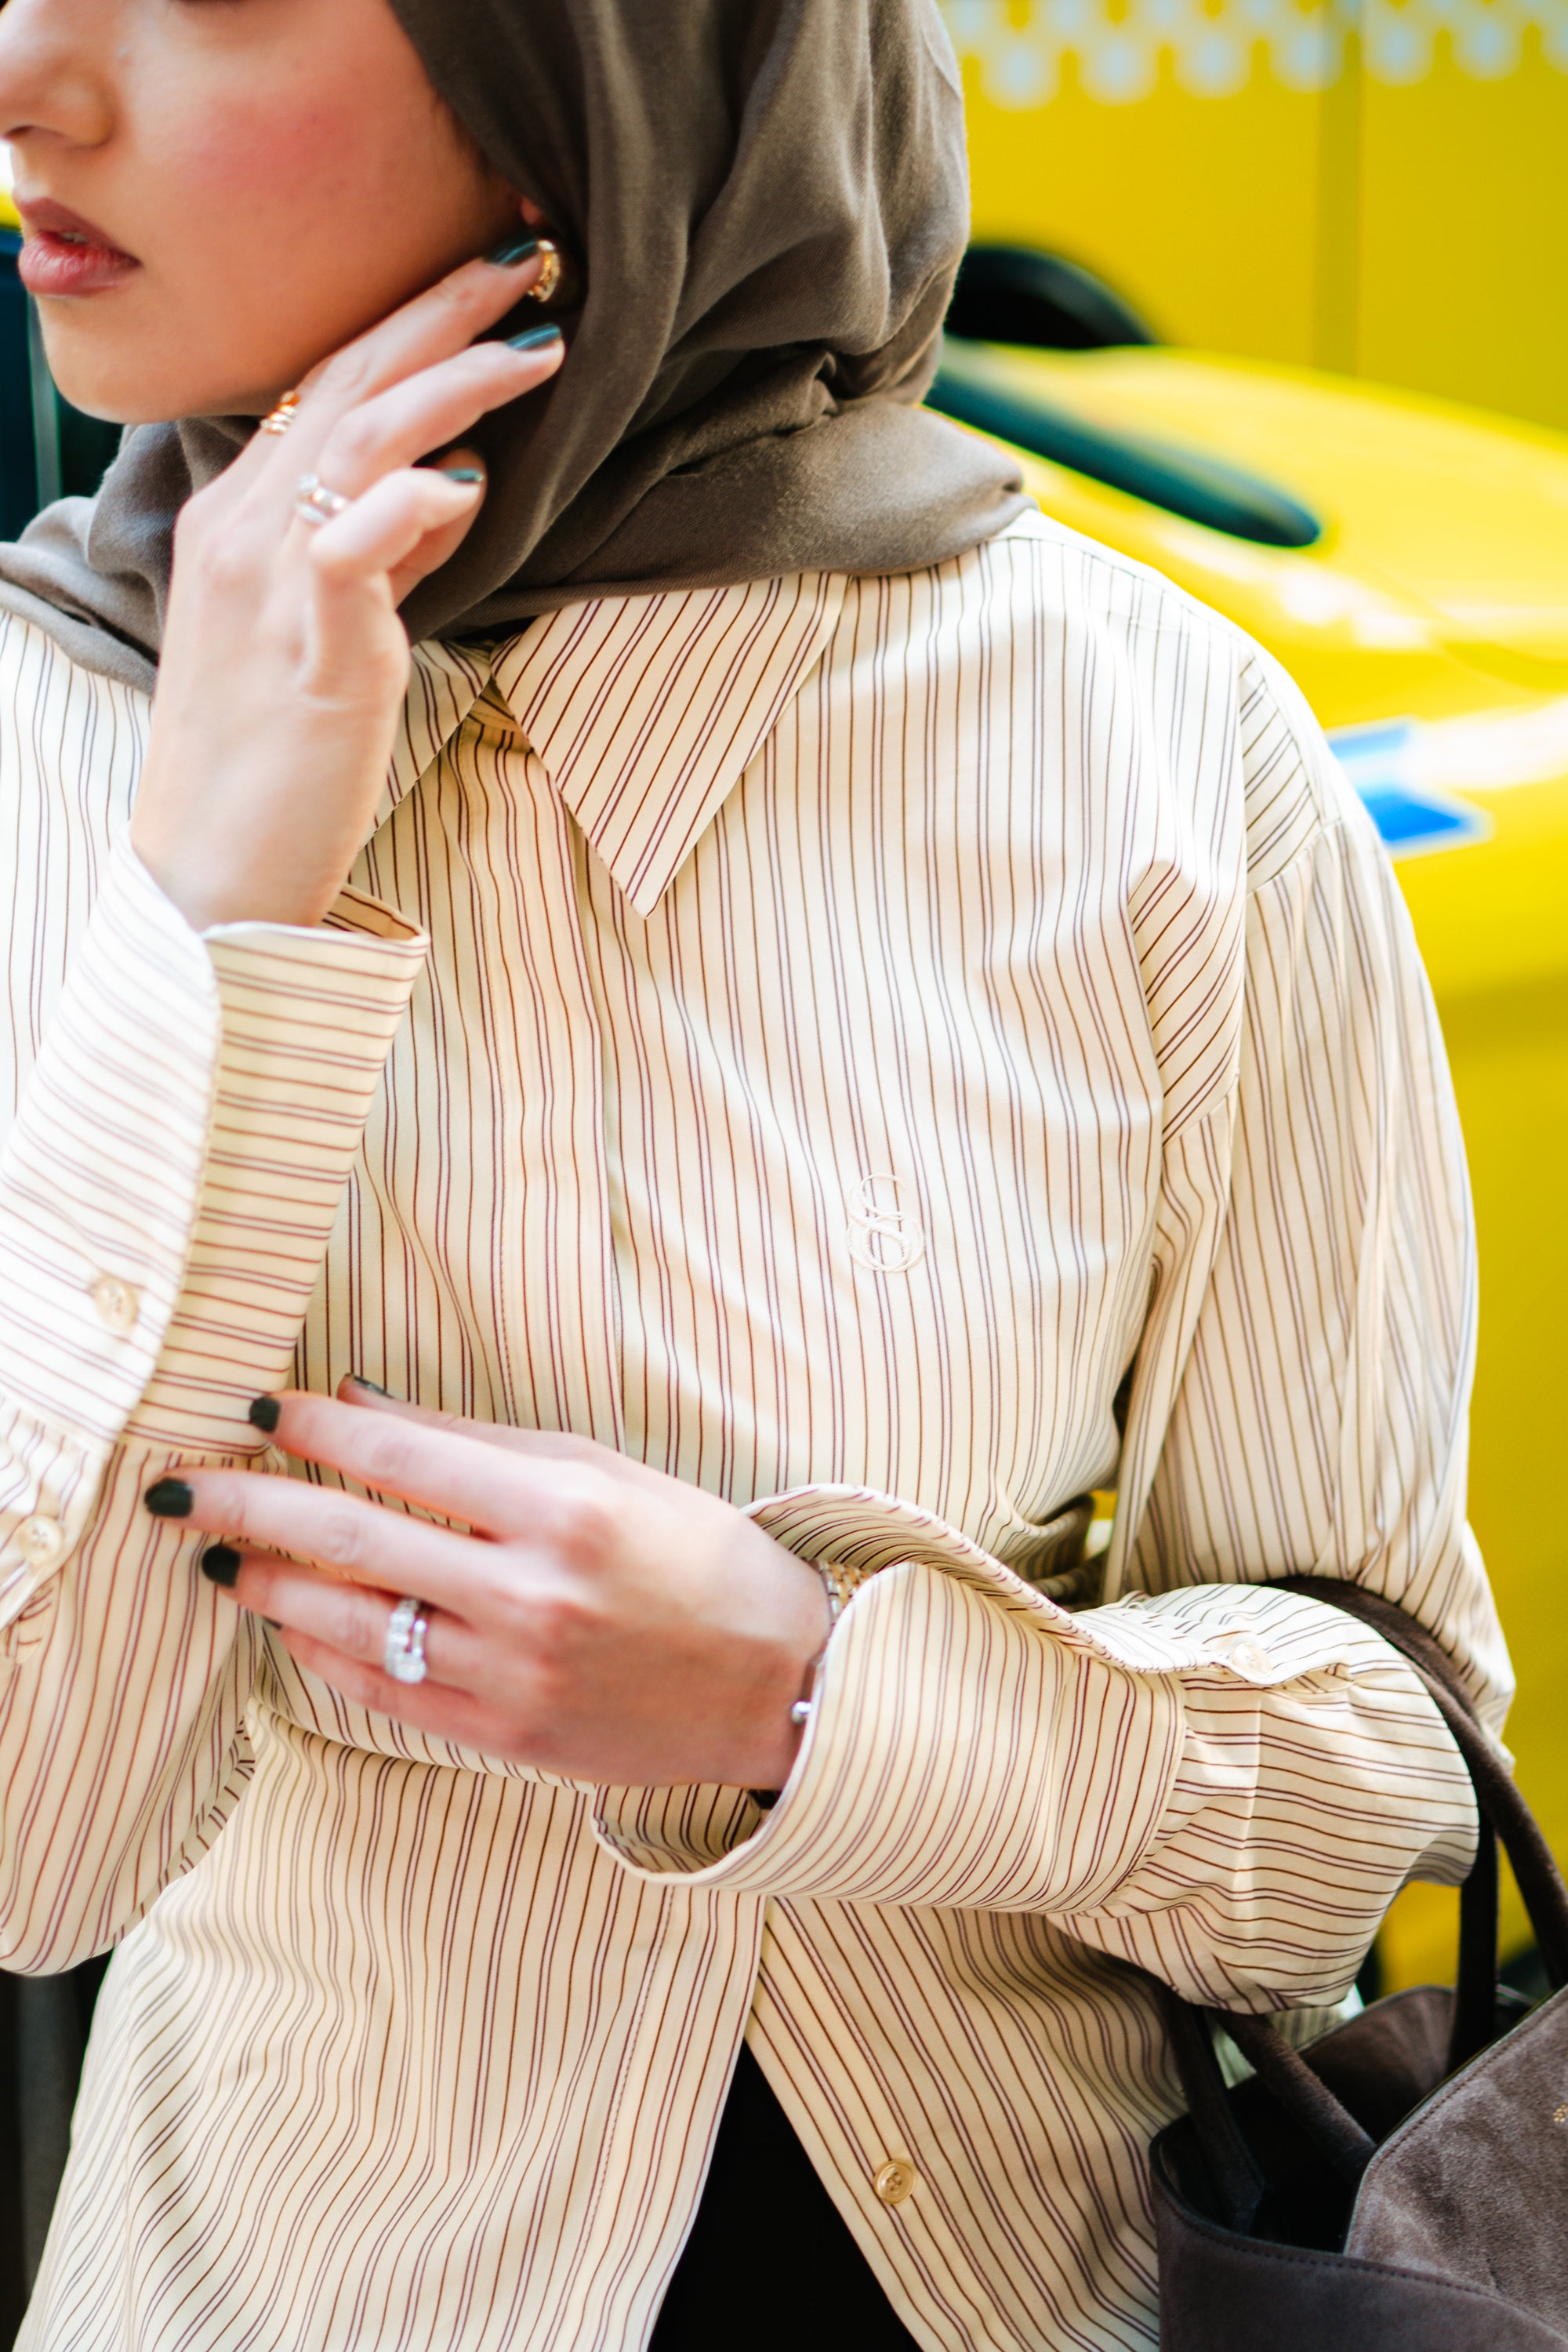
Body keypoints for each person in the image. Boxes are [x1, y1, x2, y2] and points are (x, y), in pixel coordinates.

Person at [0, 2, 1501, 2347]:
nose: (31, 80)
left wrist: (817, 1706)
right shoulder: (43, 744)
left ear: (599, 80)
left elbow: (1388, 1788)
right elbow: (28, 1846)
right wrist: (212, 889)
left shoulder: (1153, 745)